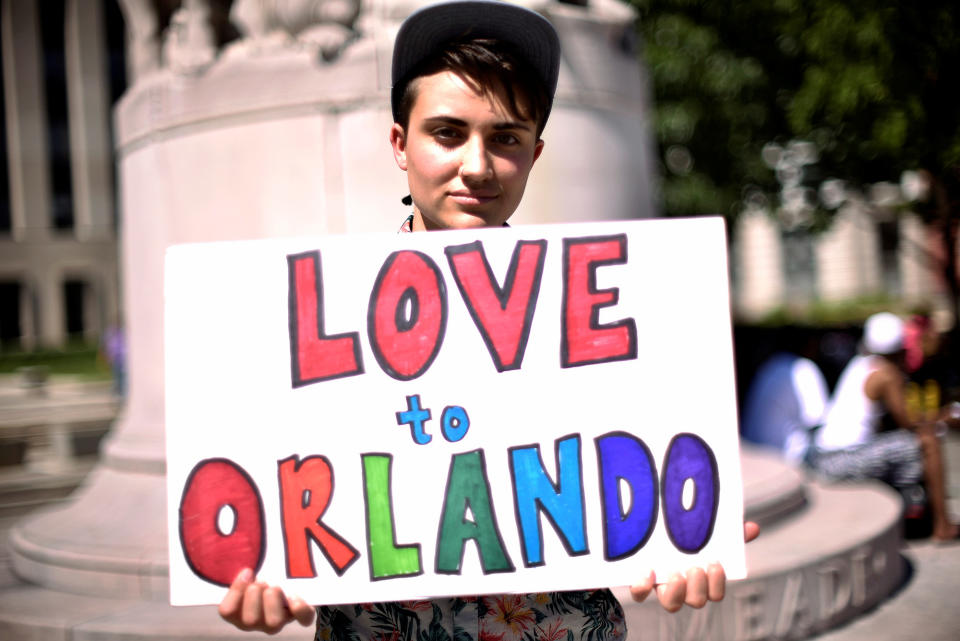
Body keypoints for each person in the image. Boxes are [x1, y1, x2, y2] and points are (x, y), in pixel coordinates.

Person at [218, 1, 759, 636]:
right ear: (400, 143)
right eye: (447, 133)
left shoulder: (601, 320)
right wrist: (265, 572)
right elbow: (284, 493)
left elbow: (645, 475)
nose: (476, 166)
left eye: (505, 138)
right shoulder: (319, 320)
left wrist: (682, 536)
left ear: (534, 153)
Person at [809, 311, 960, 542]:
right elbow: (910, 423)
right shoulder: (886, 373)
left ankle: (920, 516)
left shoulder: (862, 364)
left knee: (907, 444)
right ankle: (942, 525)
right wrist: (945, 417)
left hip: (825, 457)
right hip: (842, 459)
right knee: (927, 441)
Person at [741, 330, 829, 463]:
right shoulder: (803, 368)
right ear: (810, 345)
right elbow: (817, 419)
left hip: (754, 451)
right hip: (784, 457)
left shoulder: (770, 365)